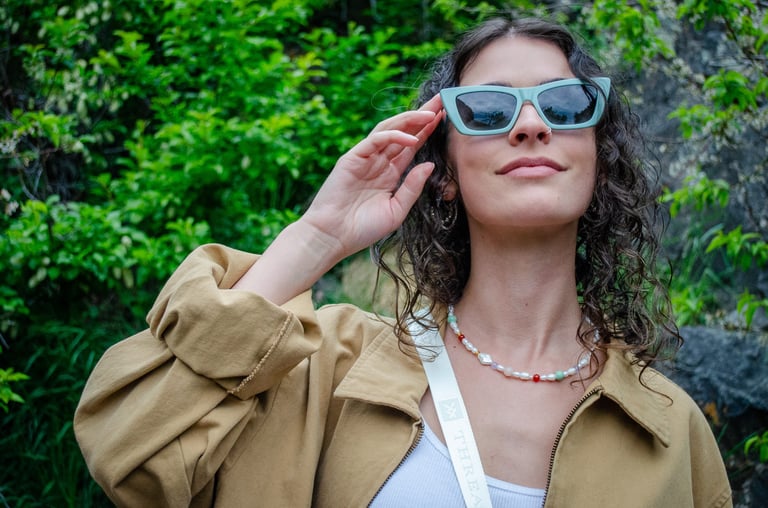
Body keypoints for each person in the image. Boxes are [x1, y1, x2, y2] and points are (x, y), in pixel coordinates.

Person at [74, 17, 733, 508]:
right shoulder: (329, 368)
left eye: (563, 104)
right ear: (443, 170)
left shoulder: (672, 430)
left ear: (599, 156)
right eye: (486, 109)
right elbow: (131, 455)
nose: (531, 126)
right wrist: (316, 238)